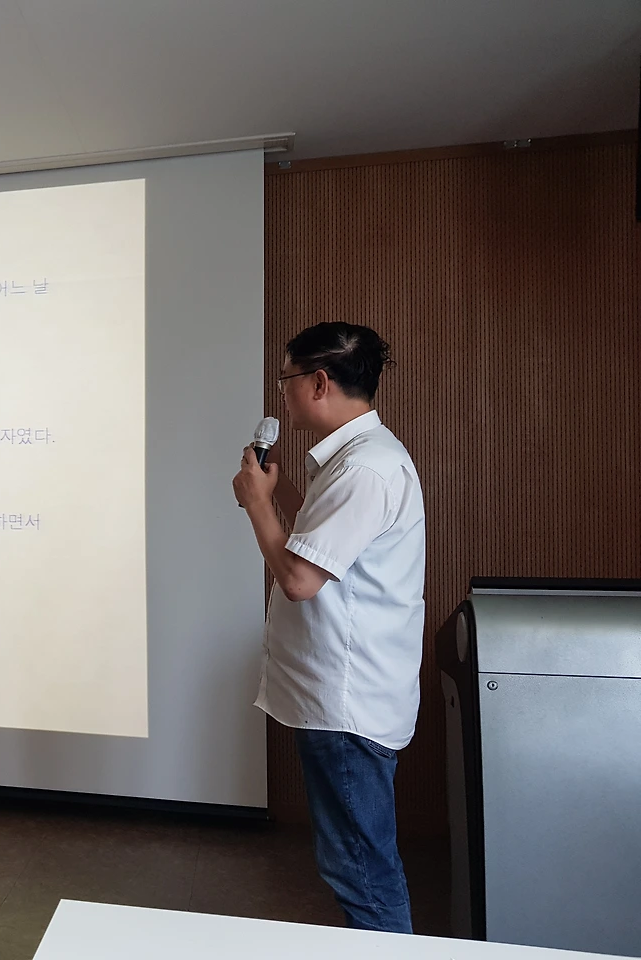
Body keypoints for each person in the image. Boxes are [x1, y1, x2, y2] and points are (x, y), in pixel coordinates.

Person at [231, 321, 426, 933]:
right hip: (347, 697)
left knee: (361, 873)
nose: (282, 394)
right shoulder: (355, 458)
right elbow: (320, 541)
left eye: (287, 379)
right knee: (359, 864)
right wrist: (278, 490)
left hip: (348, 702)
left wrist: (257, 505)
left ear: (319, 383)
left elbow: (299, 578)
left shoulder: (365, 469)